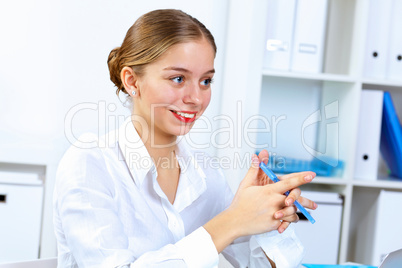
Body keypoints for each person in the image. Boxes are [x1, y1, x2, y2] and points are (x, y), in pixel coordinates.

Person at [53, 9, 317, 268]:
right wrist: (234, 220)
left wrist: (269, 213)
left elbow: (258, 265)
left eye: (206, 81)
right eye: (178, 79)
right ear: (132, 81)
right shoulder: (90, 163)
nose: (196, 98)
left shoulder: (206, 174)